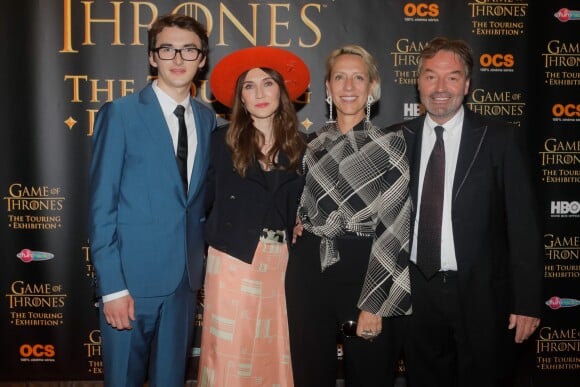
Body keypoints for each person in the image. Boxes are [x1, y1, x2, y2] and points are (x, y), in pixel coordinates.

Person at [398, 37, 543, 387]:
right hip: (416, 292)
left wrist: (527, 302)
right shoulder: (397, 139)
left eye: (452, 77)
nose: (440, 87)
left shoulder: (498, 139)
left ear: (466, 84)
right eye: (431, 76)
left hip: (482, 295)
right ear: (418, 83)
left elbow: (522, 225)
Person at [88, 14, 216, 386]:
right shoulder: (121, 114)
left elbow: (203, 200)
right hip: (131, 283)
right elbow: (101, 206)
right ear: (152, 57)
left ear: (202, 59)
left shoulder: (207, 122)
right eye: (167, 49)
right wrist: (111, 287)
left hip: (185, 284)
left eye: (189, 49)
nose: (178, 58)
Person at [285, 44, 412, 387]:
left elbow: (395, 230)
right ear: (327, 88)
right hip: (308, 269)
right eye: (339, 77)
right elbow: (301, 202)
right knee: (309, 374)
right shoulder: (310, 145)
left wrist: (375, 302)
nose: (348, 86)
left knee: (370, 375)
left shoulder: (391, 144)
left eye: (358, 77)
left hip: (364, 266)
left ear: (372, 86)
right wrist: (299, 223)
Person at [197, 46, 310, 387]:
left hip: (280, 263)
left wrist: (305, 219)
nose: (259, 93)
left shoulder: (302, 146)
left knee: (274, 354)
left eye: (268, 83)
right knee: (229, 356)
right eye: (249, 86)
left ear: (281, 90)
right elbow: (201, 201)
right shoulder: (219, 141)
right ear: (240, 98)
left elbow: (307, 202)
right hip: (231, 258)